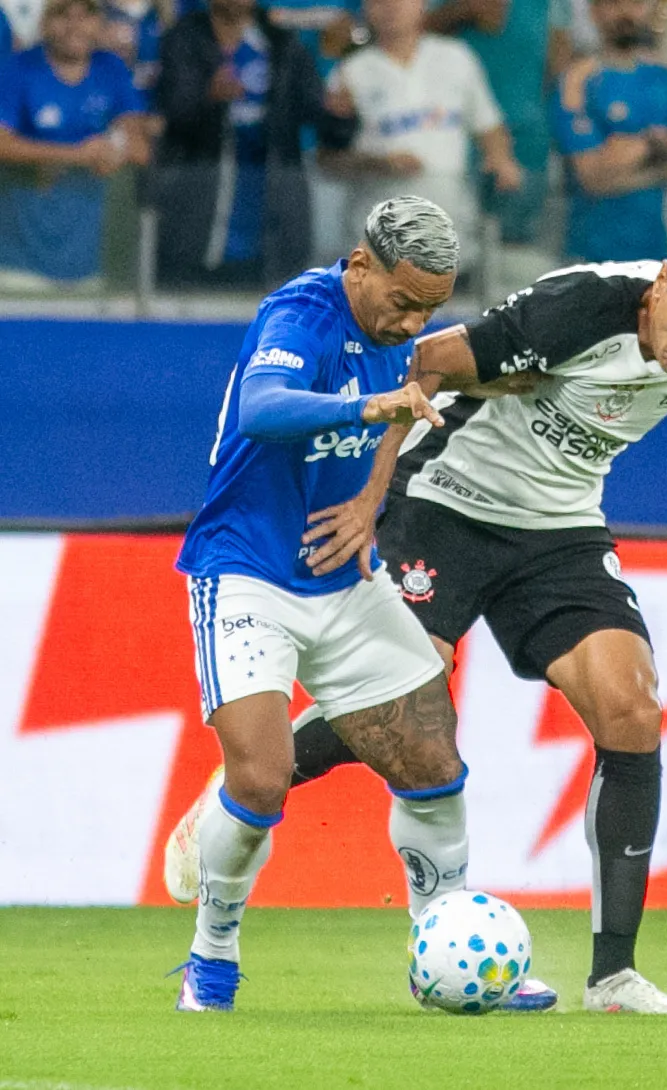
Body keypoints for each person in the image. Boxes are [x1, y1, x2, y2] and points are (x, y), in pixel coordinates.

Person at [165, 221, 667, 1016]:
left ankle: (614, 975)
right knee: (416, 692)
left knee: (632, 709)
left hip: (557, 527)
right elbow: (421, 361)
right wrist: (370, 494)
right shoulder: (575, 308)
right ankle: (243, 785)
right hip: (445, 500)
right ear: (661, 284)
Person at [168, 197, 474, 1013]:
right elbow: (263, 408)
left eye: (430, 309)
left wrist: (371, 498)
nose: (412, 323)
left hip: (342, 578)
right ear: (360, 263)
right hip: (247, 572)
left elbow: (411, 404)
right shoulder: (301, 313)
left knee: (434, 767)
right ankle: (211, 956)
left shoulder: (400, 332)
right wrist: (367, 406)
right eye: (402, 302)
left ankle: (444, 950)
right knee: (262, 781)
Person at [152, 0, 355, 286]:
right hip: (197, 217)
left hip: (271, 224)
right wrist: (208, 98)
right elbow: (170, 116)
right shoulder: (185, 39)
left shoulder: (282, 43)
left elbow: (321, 118)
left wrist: (341, 117)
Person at [321, 0, 523, 265]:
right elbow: (328, 160)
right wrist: (380, 164)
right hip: (380, 249)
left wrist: (500, 158)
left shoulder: (456, 58)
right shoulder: (349, 73)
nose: (392, 7)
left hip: (451, 238)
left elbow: (488, 124)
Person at [0, 0, 147, 288]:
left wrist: (113, 151)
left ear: (99, 22)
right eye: (63, 14)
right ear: (45, 22)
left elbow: (139, 148)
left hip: (86, 262)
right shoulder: (17, 68)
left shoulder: (110, 68)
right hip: (20, 263)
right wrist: (76, 155)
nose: (74, 25)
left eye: (86, 15)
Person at [553, 0, 667, 263]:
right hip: (591, 255)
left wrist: (630, 152)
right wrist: (663, 159)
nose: (625, 12)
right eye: (614, 4)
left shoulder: (664, 79)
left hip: (655, 256)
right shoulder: (576, 81)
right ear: (594, 11)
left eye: (635, 3)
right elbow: (591, 178)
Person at [426, 0, 552, 247]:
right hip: (456, 134)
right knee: (448, 242)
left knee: (516, 246)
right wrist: (463, 9)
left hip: (526, 134)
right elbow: (414, 31)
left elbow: (559, 52)